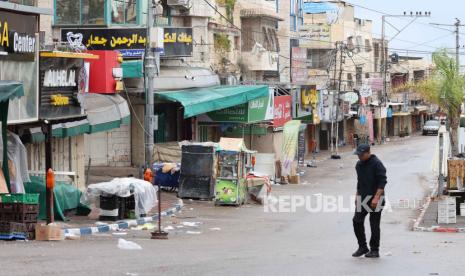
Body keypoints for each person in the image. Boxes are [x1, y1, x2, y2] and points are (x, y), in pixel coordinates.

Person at [352, 144, 387, 258]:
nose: (359, 157)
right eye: (358, 155)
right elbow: (360, 181)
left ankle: (374, 250)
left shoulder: (377, 164)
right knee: (357, 221)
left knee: (374, 224)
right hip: (363, 198)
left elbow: (382, 182)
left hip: (376, 198)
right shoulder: (359, 165)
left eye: (361, 155)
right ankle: (362, 247)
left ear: (368, 152)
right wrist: (357, 195)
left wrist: (376, 198)